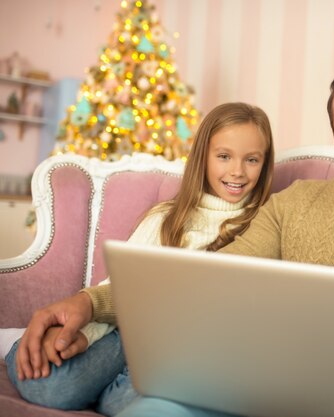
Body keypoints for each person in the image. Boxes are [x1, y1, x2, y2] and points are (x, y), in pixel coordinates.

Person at [14, 66, 334, 417]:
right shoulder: (295, 204)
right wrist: (90, 301)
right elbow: (213, 280)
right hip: (265, 377)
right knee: (150, 410)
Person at [5, 102, 276, 416]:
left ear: (265, 163)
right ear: (203, 157)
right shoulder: (166, 218)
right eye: (224, 156)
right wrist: (80, 338)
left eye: (252, 159)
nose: (237, 171)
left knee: (128, 400)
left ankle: (106, 390)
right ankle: (17, 341)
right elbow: (117, 289)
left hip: (180, 351)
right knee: (52, 386)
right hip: (123, 332)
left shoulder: (266, 227)